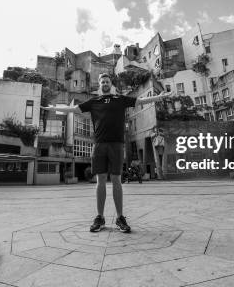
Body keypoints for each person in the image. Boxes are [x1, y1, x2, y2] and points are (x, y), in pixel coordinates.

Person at [42, 73, 172, 233]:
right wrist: (56, 108)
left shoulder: (120, 99)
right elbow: (75, 109)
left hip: (117, 145)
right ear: (99, 84)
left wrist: (157, 98)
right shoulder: (94, 101)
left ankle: (120, 217)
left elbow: (140, 101)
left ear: (111, 84)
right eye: (102, 81)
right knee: (100, 180)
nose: (105, 83)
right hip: (99, 145)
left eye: (107, 81)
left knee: (116, 179)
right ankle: (100, 217)